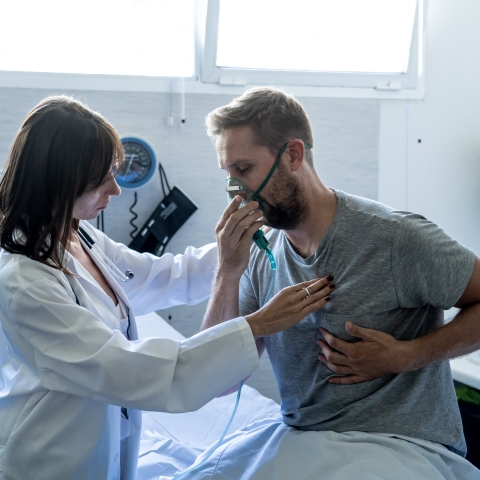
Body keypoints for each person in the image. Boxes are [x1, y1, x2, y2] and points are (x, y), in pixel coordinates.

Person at [0, 95, 334, 480]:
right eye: (101, 180)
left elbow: (168, 275)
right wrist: (257, 324)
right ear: (58, 183)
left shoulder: (81, 238)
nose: (116, 190)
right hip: (51, 462)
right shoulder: (23, 280)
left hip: (106, 454)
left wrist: (242, 246)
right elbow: (128, 370)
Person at [197, 87, 480, 479]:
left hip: (400, 444)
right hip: (305, 441)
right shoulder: (260, 256)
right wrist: (227, 272)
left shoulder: (394, 239)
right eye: (227, 175)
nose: (235, 191)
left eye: (243, 170)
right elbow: (215, 382)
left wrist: (407, 356)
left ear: (293, 155)